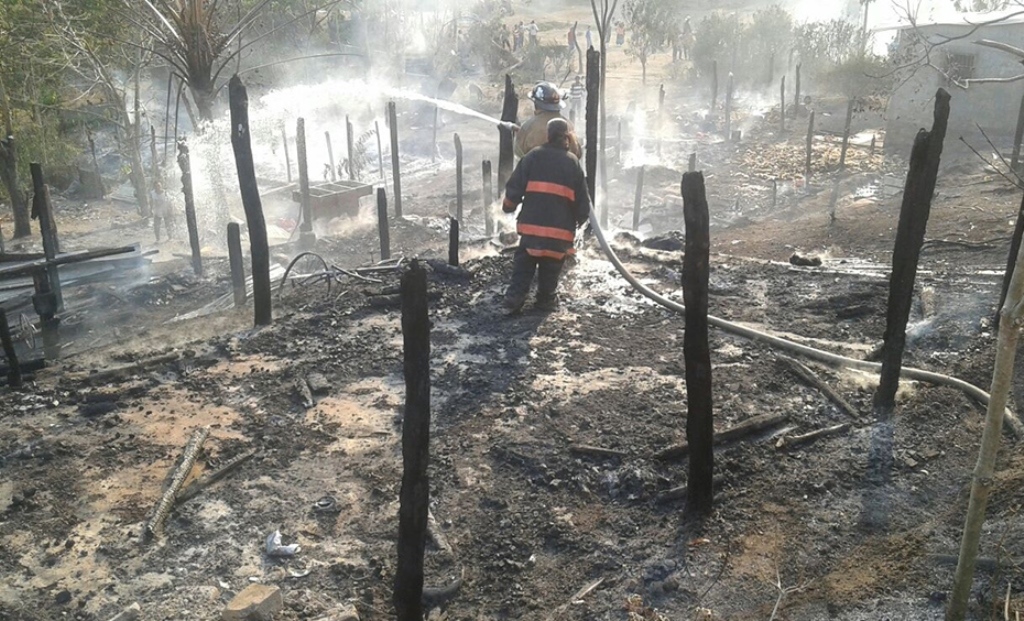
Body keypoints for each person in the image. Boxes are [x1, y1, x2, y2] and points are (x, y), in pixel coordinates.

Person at [501, 118, 591, 313]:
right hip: (559, 234)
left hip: (531, 230)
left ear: (548, 136)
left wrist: (508, 206)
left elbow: (514, 187)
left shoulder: (533, 156)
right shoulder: (573, 163)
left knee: (523, 267)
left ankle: (514, 299)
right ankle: (545, 300)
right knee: (551, 270)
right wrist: (579, 223)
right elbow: (583, 202)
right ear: (567, 137)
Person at [514, 82, 582, 159]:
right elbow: (578, 153)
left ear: (536, 103)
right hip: (565, 169)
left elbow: (518, 152)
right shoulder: (569, 125)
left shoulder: (529, 126)